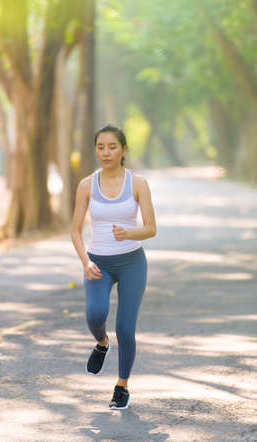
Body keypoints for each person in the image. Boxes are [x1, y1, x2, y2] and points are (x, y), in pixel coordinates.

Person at [71, 124, 156, 410]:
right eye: (100, 147)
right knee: (95, 315)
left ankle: (121, 386)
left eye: (112, 147)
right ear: (95, 149)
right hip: (99, 262)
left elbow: (151, 228)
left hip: (132, 262)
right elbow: (75, 231)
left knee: (126, 328)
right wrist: (86, 262)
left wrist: (129, 234)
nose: (106, 153)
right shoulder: (86, 184)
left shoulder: (138, 183)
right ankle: (102, 342)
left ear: (124, 150)